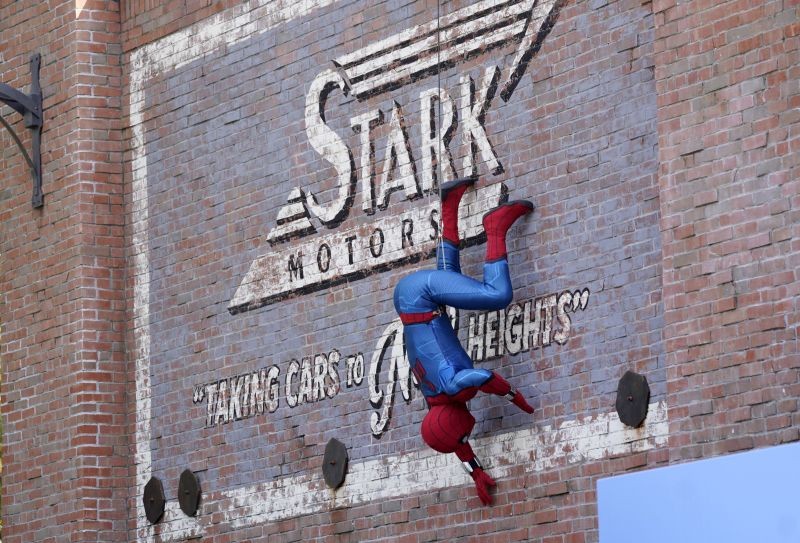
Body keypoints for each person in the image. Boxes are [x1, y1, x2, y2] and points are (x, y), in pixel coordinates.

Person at [393, 176, 535, 506]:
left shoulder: (456, 388)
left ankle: (495, 227)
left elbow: (482, 377)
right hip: (416, 303)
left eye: (464, 432)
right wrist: (475, 471)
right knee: (451, 278)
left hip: (422, 298)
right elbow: (452, 438)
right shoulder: (436, 402)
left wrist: (515, 397)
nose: (467, 434)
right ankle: (449, 203)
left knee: (498, 294)